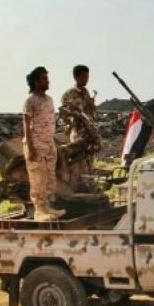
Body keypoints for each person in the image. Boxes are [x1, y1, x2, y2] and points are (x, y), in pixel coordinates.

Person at [23, 67, 65, 221]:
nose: (48, 81)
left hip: (49, 144)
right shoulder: (30, 101)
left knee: (49, 178)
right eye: (44, 78)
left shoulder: (49, 100)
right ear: (36, 81)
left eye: (47, 78)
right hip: (36, 145)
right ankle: (39, 211)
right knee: (38, 179)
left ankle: (47, 208)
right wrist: (31, 148)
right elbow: (26, 126)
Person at [60, 65, 100, 187]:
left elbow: (90, 113)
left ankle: (88, 184)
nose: (86, 80)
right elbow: (65, 114)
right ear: (76, 77)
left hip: (88, 131)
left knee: (89, 158)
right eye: (83, 77)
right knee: (77, 158)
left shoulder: (86, 93)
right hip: (76, 130)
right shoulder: (69, 94)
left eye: (87, 77)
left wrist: (92, 106)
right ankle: (76, 185)